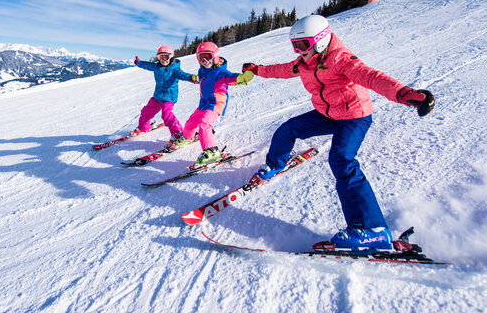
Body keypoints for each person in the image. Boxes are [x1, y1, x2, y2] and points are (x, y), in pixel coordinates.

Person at [242, 15, 435, 250]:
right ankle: (274, 164)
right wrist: (257, 69)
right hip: (329, 114)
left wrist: (404, 93)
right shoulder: (304, 62)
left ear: (320, 40)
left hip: (354, 116)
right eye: (294, 45)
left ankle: (372, 229)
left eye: (302, 45)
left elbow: (371, 76)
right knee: (287, 129)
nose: (298, 50)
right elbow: (281, 70)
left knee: (342, 160)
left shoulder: (341, 59)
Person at [171, 42, 254, 168]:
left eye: (208, 57)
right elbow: (202, 78)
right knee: (190, 123)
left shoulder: (221, 73)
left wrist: (243, 78)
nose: (204, 60)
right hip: (204, 104)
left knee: (204, 125)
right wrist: (195, 77)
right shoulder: (203, 70)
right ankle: (187, 137)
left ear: (215, 57)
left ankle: (212, 151)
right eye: (201, 57)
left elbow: (231, 77)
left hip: (216, 103)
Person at [133, 46, 198, 141]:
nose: (163, 60)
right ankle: (143, 127)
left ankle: (177, 133)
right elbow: (146, 65)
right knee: (146, 112)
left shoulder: (174, 69)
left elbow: (182, 75)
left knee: (166, 115)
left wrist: (192, 78)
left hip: (169, 97)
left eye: (166, 57)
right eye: (160, 57)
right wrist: (138, 62)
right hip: (158, 96)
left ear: (171, 57)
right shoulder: (157, 67)